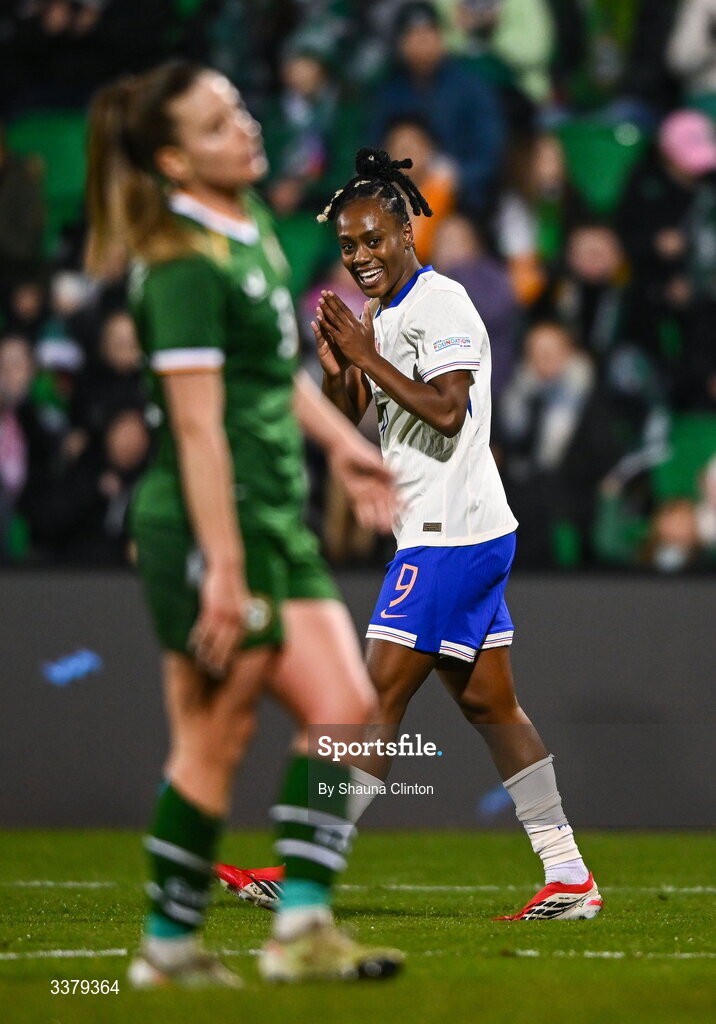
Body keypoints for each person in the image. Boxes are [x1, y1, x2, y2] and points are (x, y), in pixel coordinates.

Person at [85, 61, 404, 986]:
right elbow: (195, 425)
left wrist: (341, 444)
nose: (246, 128)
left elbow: (268, 379)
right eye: (219, 124)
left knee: (350, 714)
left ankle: (299, 929)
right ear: (177, 161)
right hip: (207, 525)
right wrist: (222, 566)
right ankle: (167, 952)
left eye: (239, 110)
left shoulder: (249, 227)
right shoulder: (182, 262)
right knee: (215, 737)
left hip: (273, 516)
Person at [222, 148, 603, 921]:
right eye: (348, 247)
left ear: (407, 233)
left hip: (449, 534)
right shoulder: (384, 314)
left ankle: (304, 869)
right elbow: (361, 411)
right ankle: (570, 877)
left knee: (369, 699)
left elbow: (446, 410)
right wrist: (340, 367)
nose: (360, 257)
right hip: (451, 529)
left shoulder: (443, 304)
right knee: (494, 707)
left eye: (373, 240)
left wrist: (365, 354)